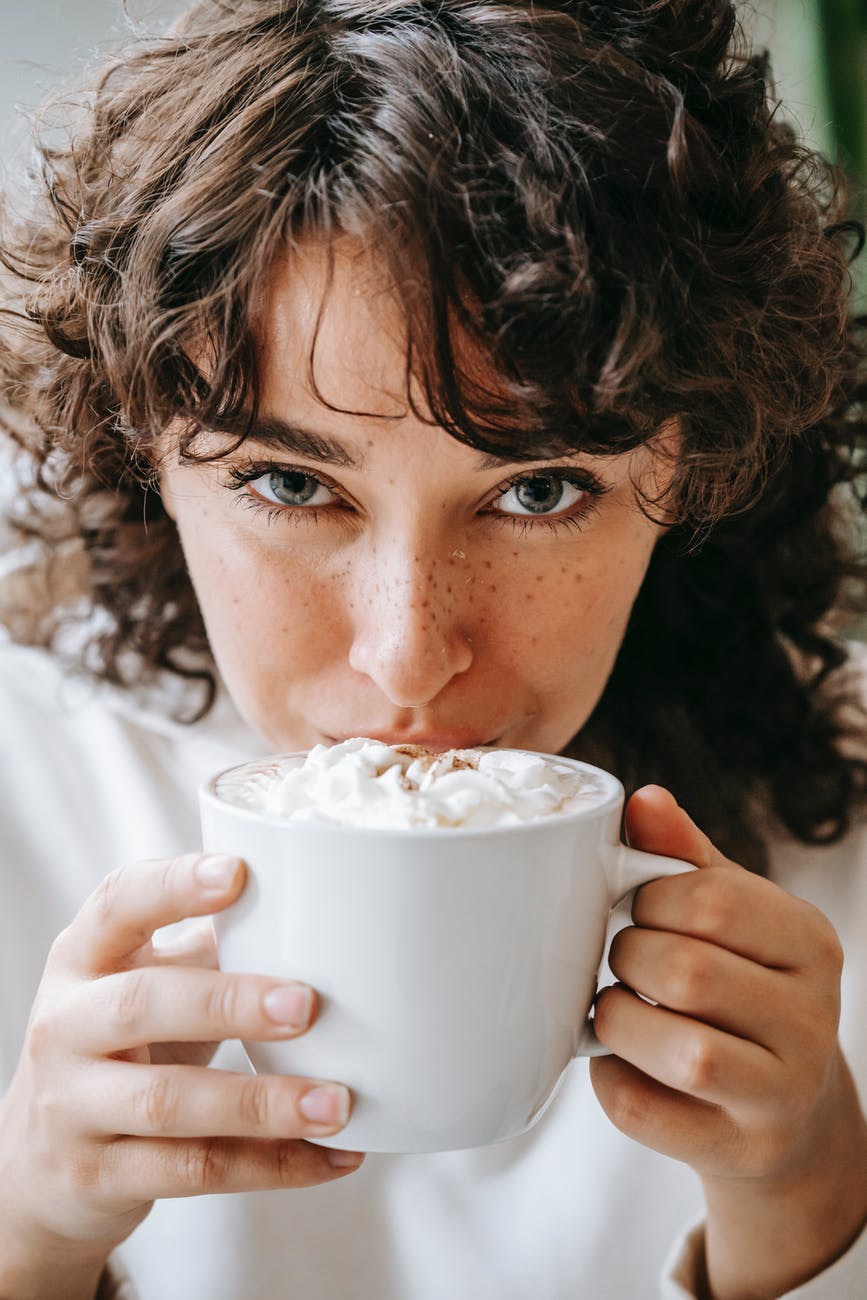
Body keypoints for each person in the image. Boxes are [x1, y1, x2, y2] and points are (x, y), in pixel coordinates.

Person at [0, 0, 865, 1296]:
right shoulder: (26, 789)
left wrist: (808, 1207)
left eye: (536, 492)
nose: (409, 659)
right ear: (145, 457)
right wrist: (28, 1237)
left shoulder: (843, 848)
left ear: (696, 466)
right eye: (293, 487)